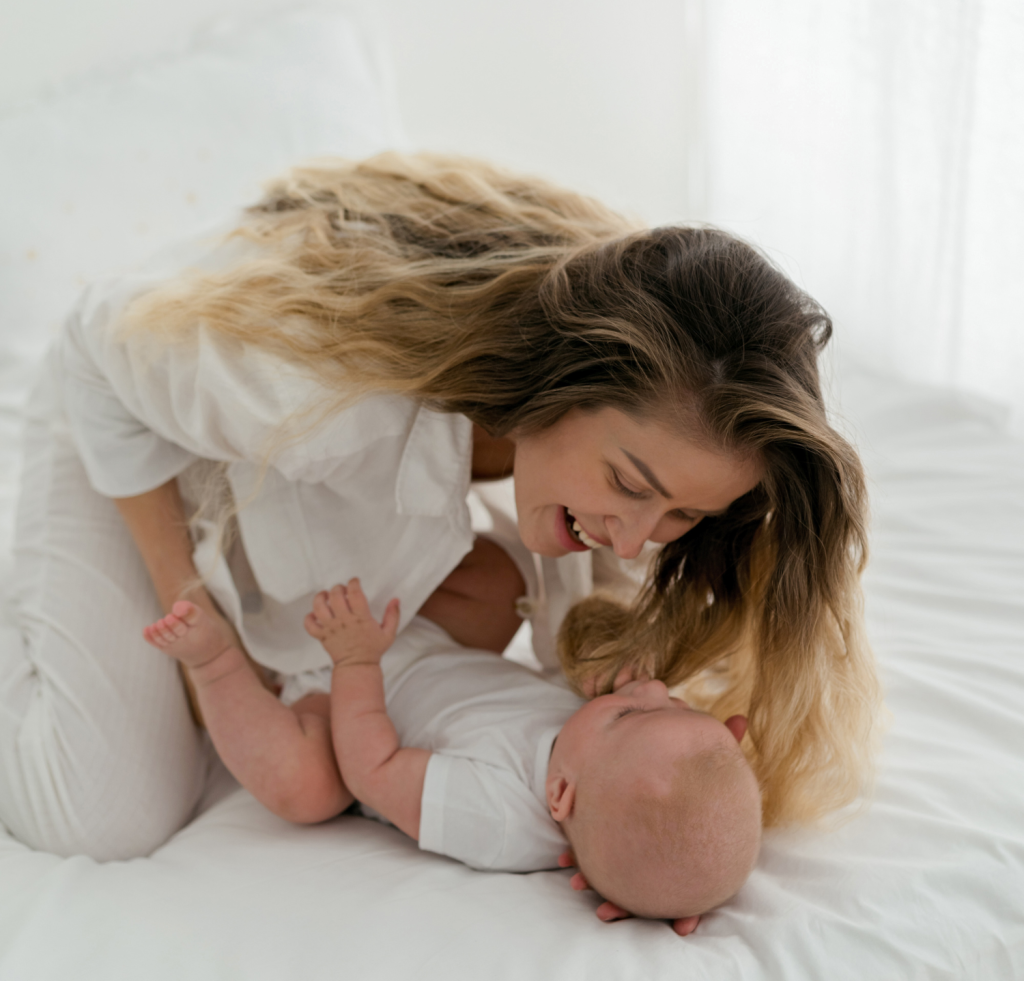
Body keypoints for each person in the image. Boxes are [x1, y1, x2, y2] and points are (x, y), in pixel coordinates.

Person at [0, 152, 879, 862]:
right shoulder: (328, 408)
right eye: (631, 488)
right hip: (121, 409)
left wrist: (649, 854)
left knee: (498, 588)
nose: (645, 540)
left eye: (685, 516)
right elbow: (99, 343)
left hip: (281, 469)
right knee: (102, 814)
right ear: (563, 379)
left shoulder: (652, 349)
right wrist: (190, 605)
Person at [141, 579, 762, 935]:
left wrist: (355, 664)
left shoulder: (493, 818)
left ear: (560, 796)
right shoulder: (603, 764)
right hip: (422, 642)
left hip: (338, 707)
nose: (650, 691)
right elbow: (676, 801)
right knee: (502, 581)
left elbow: (373, 771)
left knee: (304, 788)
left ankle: (217, 665)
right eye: (677, 702)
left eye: (633, 711)